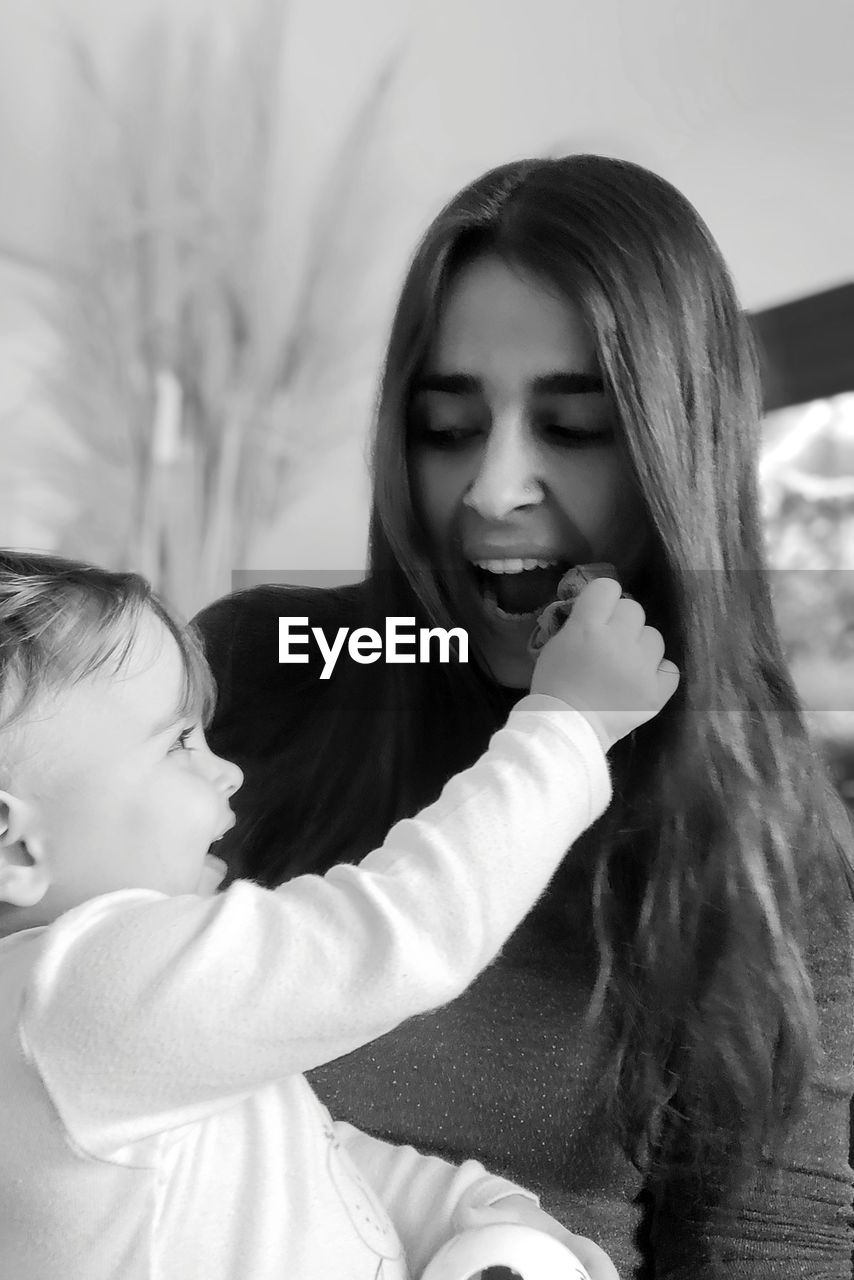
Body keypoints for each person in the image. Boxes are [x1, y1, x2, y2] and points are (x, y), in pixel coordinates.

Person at [195, 154, 854, 1276]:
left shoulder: (775, 859)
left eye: (577, 426)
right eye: (449, 426)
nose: (495, 487)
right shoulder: (259, 665)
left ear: (676, 450)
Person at [0, 544, 676, 1280]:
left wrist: (476, 1208)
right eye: (179, 743)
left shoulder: (62, 1032)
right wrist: (569, 726)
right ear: (6, 846)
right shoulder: (74, 993)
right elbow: (401, 929)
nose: (227, 770)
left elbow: (303, 1156)